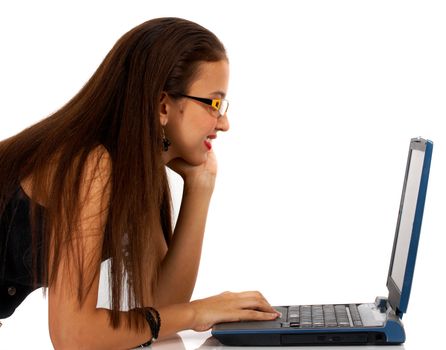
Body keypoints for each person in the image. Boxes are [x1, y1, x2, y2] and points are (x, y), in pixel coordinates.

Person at [0, 17, 279, 348]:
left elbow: (162, 304)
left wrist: (200, 187)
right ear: (163, 105)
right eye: (215, 103)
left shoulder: (133, 169)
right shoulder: (93, 164)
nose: (225, 122)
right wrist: (197, 312)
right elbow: (72, 335)